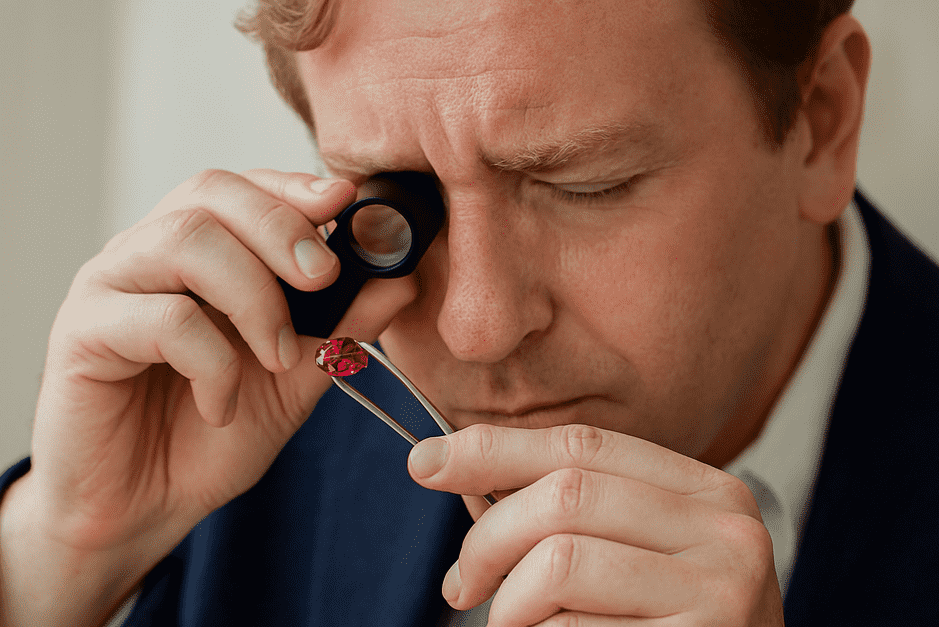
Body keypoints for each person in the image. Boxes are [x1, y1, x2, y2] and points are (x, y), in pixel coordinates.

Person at [1, 0, 937, 625]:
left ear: (820, 118)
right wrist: (63, 550)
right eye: (400, 202)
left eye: (584, 185)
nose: (476, 328)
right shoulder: (242, 441)